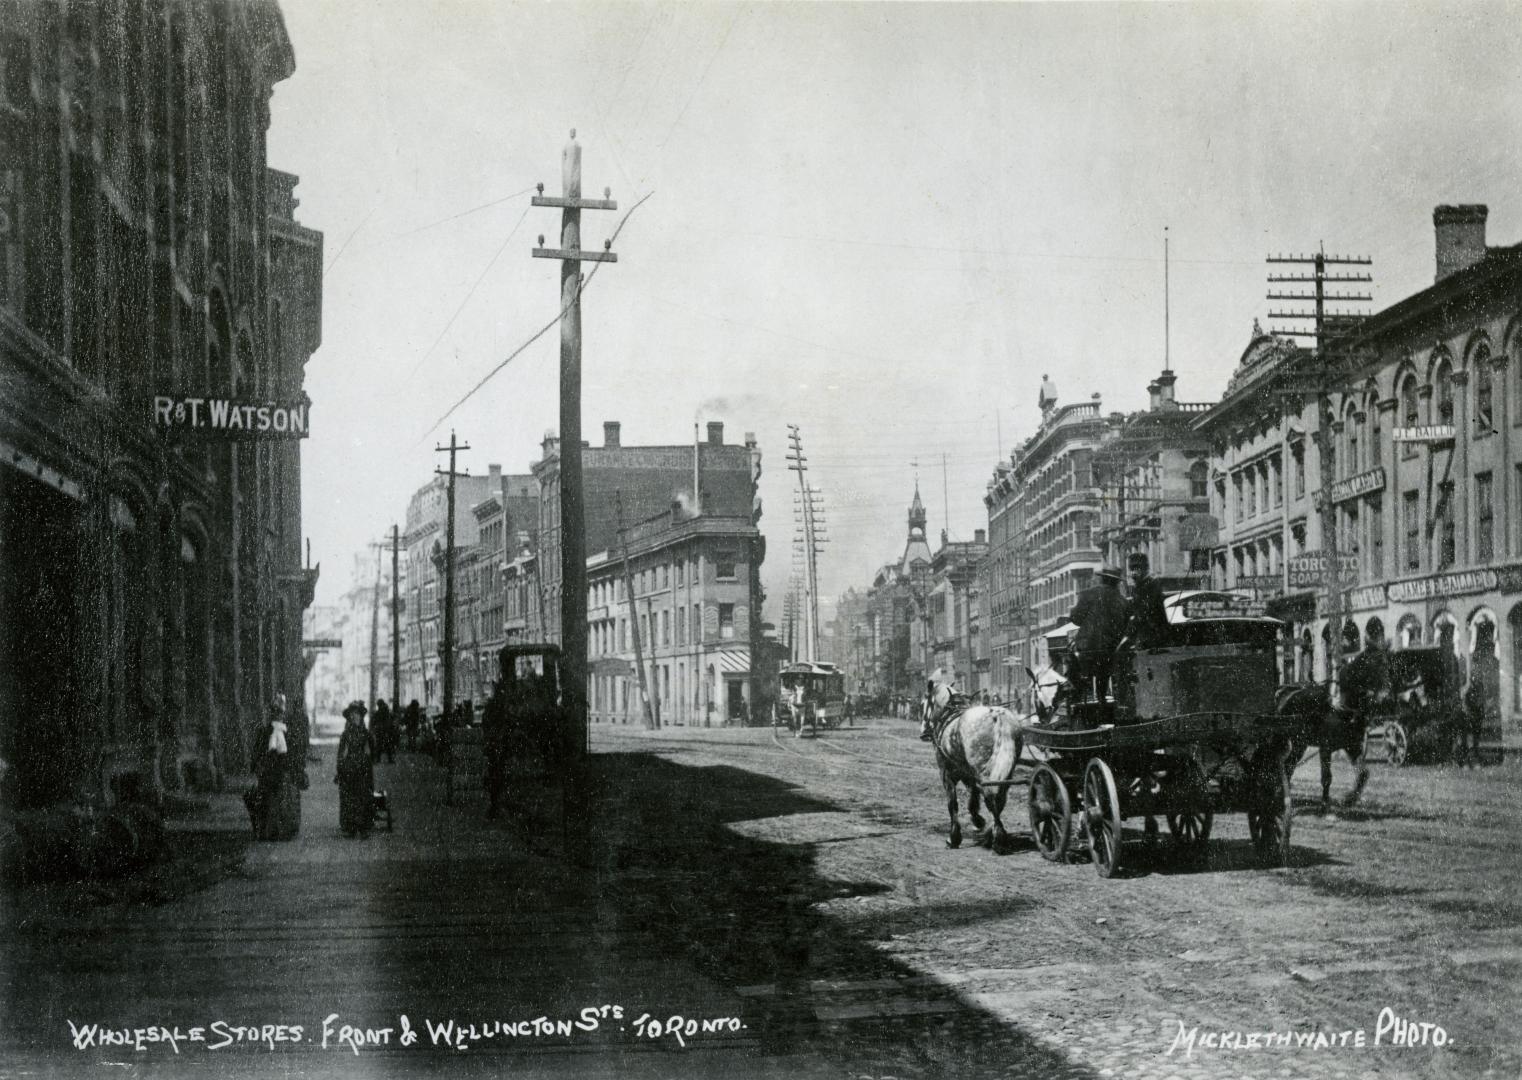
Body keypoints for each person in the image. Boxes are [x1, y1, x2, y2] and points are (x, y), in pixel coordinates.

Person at [1069, 566, 1129, 701]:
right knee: (1105, 673)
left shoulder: (1087, 594)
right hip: (1111, 651)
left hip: (1087, 647)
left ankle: (1078, 697)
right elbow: (1125, 626)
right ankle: (1103, 698)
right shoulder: (1123, 601)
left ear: (1102, 579)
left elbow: (1075, 618)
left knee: (1075, 666)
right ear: (1117, 582)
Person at [247, 696, 298, 840]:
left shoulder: (286, 733)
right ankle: (268, 831)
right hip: (270, 771)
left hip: (280, 771)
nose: (278, 716)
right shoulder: (265, 732)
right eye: (275, 713)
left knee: (280, 801)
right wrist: (258, 767)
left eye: (280, 713)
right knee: (268, 800)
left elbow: (292, 752)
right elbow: (258, 751)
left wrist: (293, 768)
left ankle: (278, 830)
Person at [335, 701, 375, 838]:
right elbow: (342, 753)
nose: (354, 717)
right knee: (350, 798)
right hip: (350, 769)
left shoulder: (366, 734)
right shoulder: (346, 734)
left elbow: (369, 752)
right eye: (352, 715)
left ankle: (363, 828)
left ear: (361, 717)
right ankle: (351, 827)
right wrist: (340, 768)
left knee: (363, 797)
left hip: (363, 769)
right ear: (349, 718)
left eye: (357, 714)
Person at [1463, 623, 1499, 768]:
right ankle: (1469, 760)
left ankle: (1474, 758)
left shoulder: (1478, 677)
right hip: (1469, 707)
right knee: (1468, 736)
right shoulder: (1470, 667)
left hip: (1476, 705)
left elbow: (1479, 684)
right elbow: (1469, 687)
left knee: (1476, 736)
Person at [1125, 552, 1170, 649]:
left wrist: (1129, 633)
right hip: (1145, 634)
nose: (1133, 573)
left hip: (1153, 634)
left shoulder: (1151, 585)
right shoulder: (1138, 586)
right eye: (1132, 569)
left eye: (1137, 569)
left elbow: (1144, 611)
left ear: (1144, 569)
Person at [482, 680, 509, 820]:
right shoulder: (503, 706)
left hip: (494, 745)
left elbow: (485, 723)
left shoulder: (492, 706)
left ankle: (495, 806)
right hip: (499, 744)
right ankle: (496, 806)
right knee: (498, 775)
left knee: (494, 775)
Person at [371, 698, 397, 764]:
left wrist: (374, 728)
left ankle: (379, 759)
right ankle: (389, 759)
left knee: (380, 745)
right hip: (385, 730)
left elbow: (374, 721)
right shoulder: (386, 711)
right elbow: (392, 719)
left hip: (382, 730)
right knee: (387, 745)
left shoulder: (381, 712)